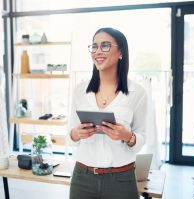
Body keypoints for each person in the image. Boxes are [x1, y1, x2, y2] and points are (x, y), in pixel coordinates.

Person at [67, 27, 147, 199]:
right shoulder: (79, 91)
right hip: (83, 178)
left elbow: (142, 138)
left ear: (121, 53)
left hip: (121, 180)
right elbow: (69, 136)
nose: (97, 51)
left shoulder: (137, 93)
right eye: (94, 46)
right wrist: (76, 133)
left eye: (105, 46)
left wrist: (128, 136)